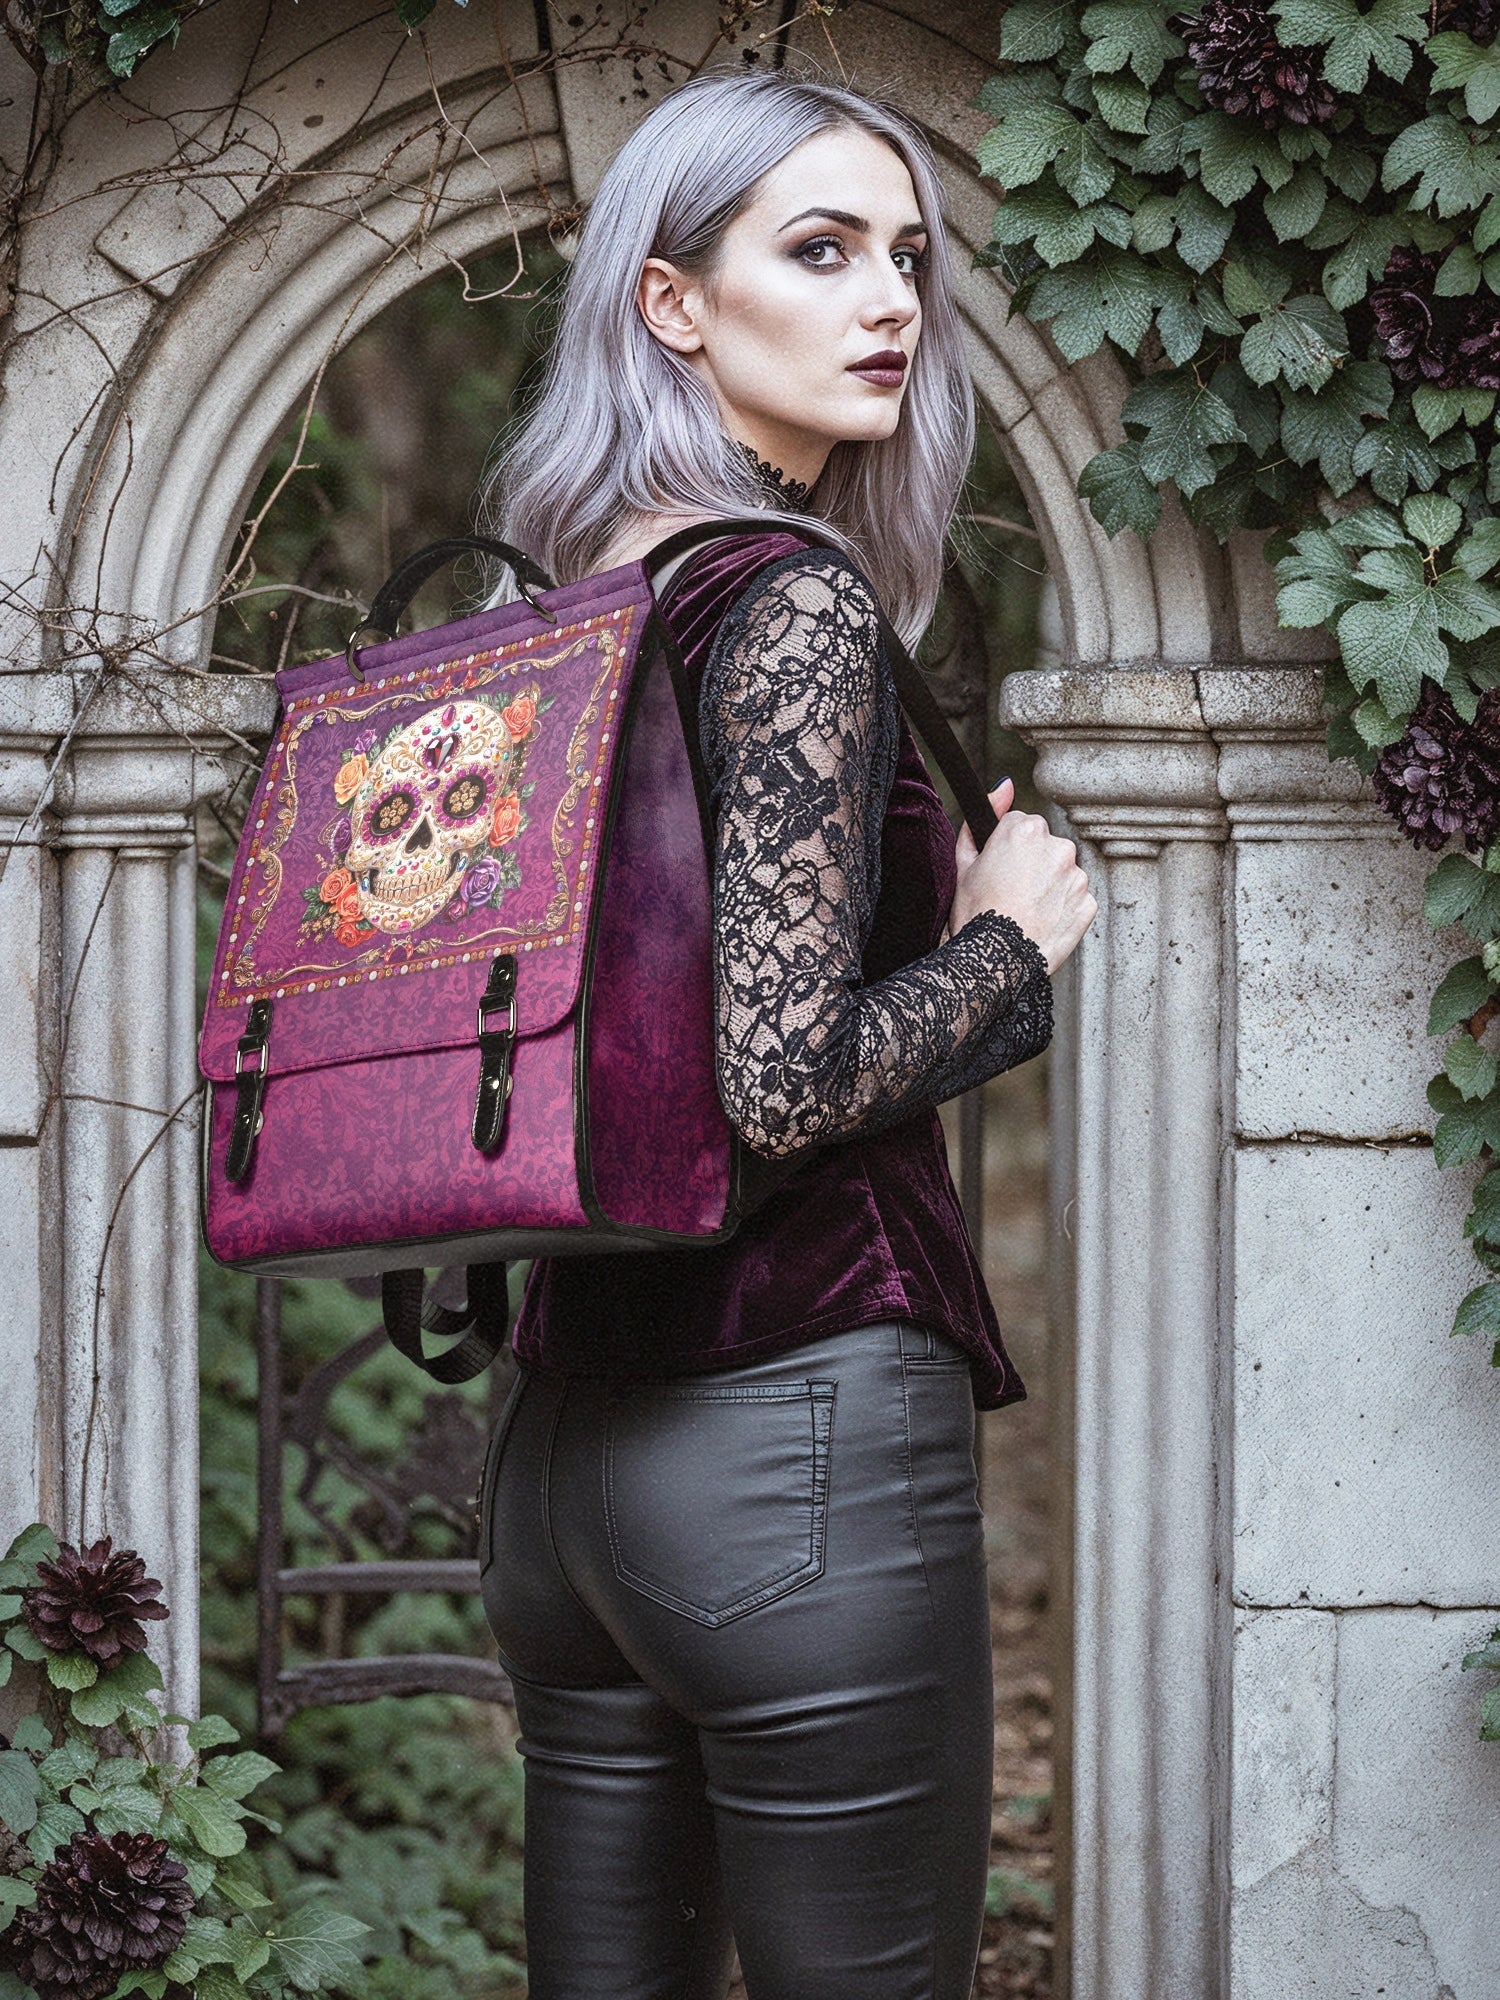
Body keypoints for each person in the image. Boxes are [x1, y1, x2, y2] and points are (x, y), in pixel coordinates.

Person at [472, 66, 1096, 2000]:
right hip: (792, 1428)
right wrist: (1007, 949)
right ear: (671, 302)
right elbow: (783, 1076)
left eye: (906, 255)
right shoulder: (794, 600)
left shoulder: (563, 608)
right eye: (819, 251)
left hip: (563, 1464)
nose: (890, 299)